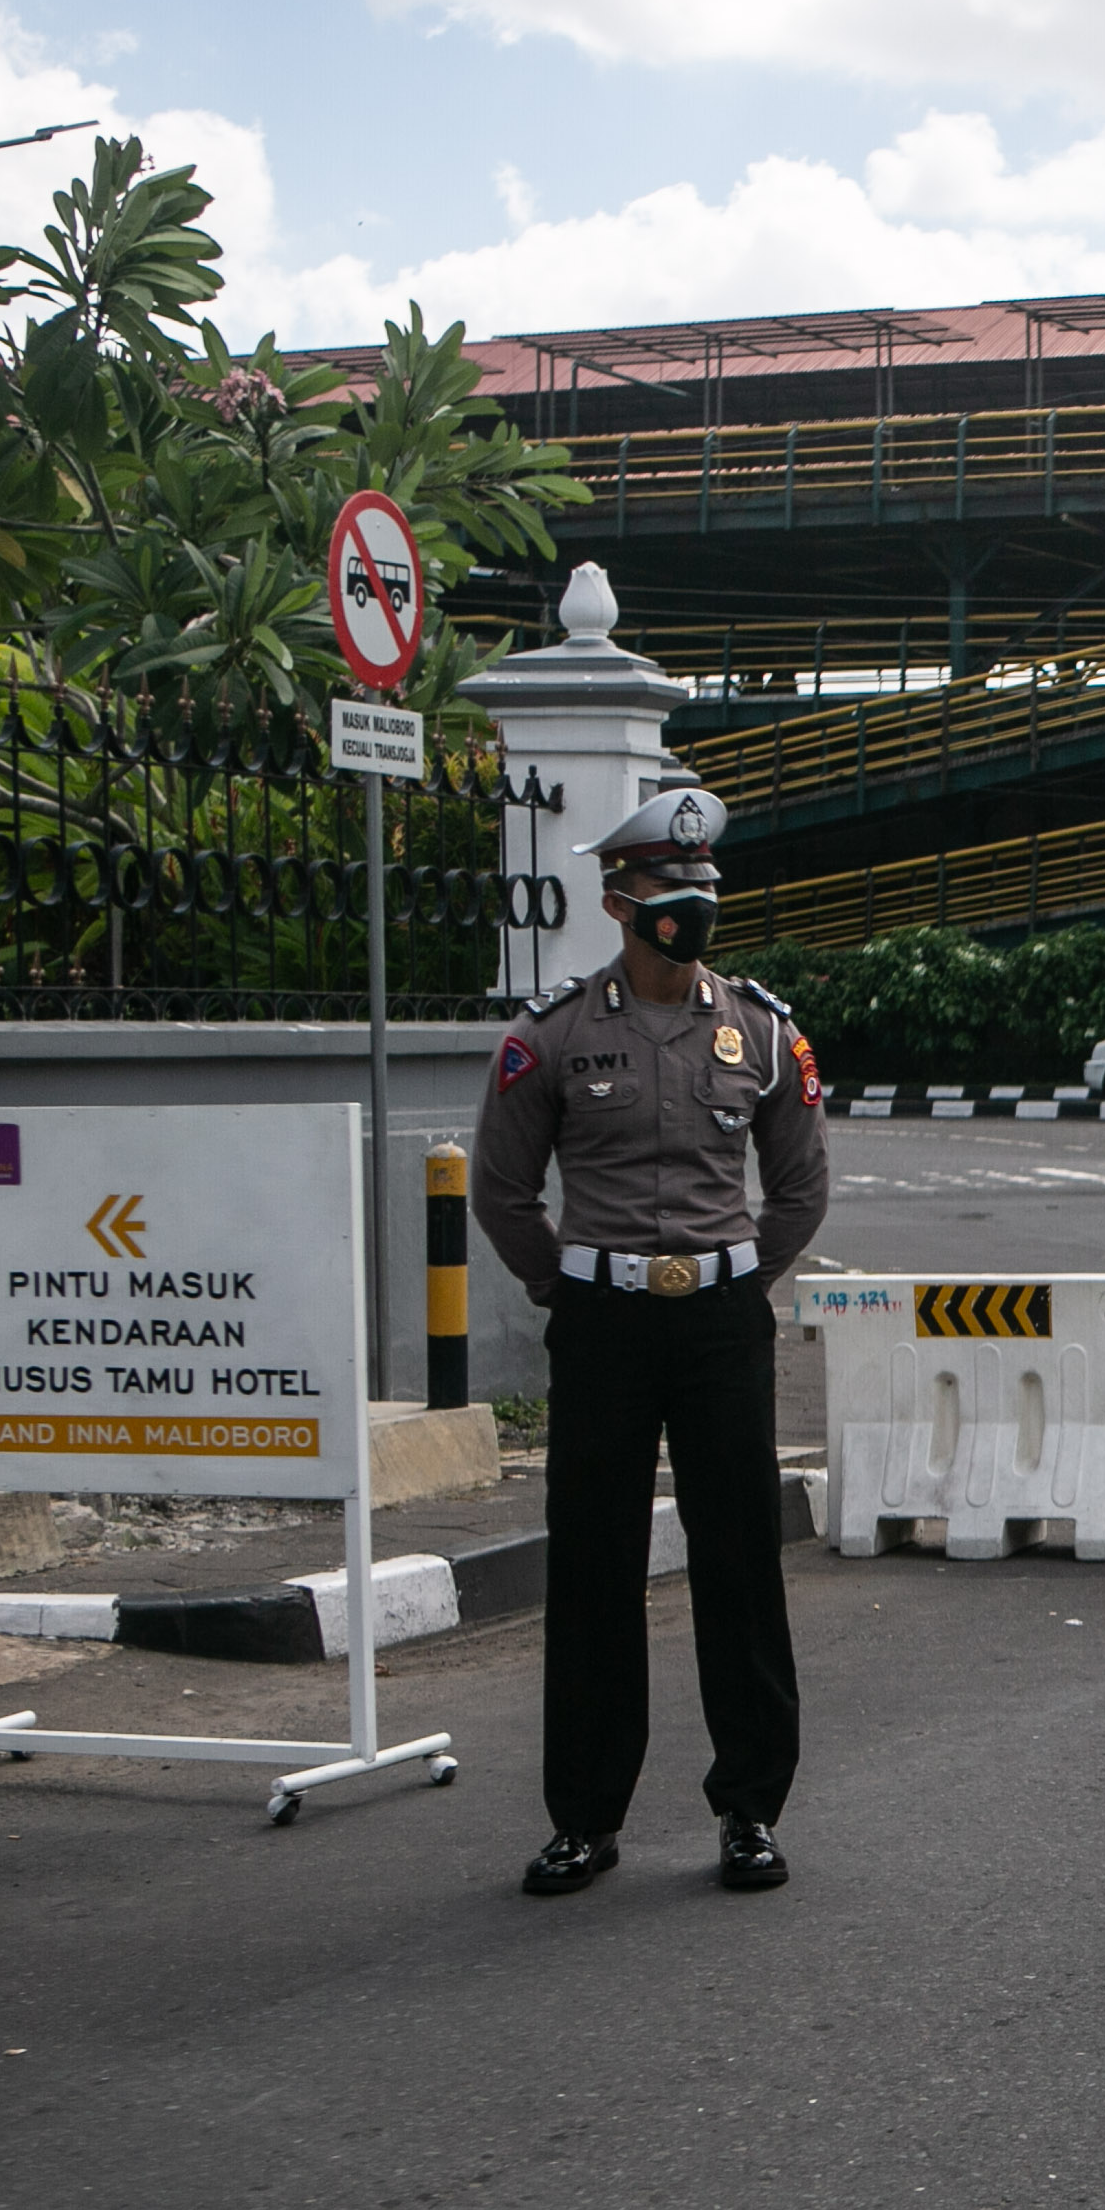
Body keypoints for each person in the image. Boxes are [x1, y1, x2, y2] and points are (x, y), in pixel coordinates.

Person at [471, 784, 830, 1899]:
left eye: (703, 884)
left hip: (721, 1321)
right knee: (592, 1565)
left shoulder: (761, 1030)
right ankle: (585, 1819)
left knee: (740, 1563)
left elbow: (801, 1186)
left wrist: (741, 1280)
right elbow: (502, 1189)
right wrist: (565, 1288)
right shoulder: (553, 1036)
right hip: (604, 1320)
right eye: (668, 885)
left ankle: (751, 1810)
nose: (691, 902)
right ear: (618, 901)